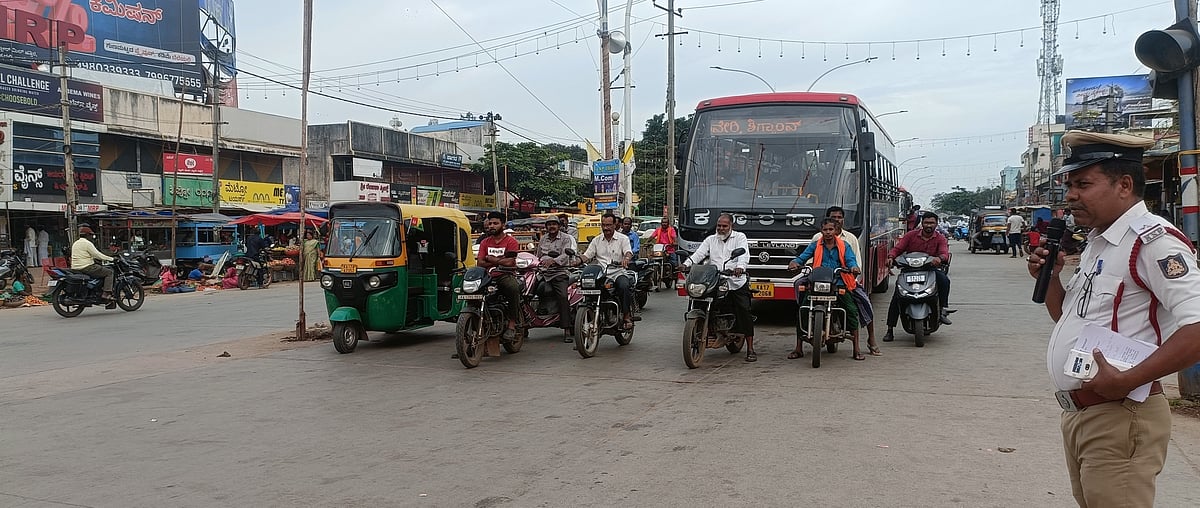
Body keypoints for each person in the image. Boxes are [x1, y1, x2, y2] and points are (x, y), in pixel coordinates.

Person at [1026, 131, 1200, 507]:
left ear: (1124, 185)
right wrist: (1051, 278)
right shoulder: (1100, 242)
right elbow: (1069, 318)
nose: (1071, 195)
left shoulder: (1153, 242)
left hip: (1121, 415)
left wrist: (1128, 380)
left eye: (1083, 184)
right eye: (1070, 184)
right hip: (1083, 414)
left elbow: (1197, 326)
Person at [680, 213, 756, 361]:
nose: (721, 229)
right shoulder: (711, 239)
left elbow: (744, 256)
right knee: (701, 299)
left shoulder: (740, 238)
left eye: (724, 226)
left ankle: (751, 349)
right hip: (715, 279)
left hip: (735, 280)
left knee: (744, 310)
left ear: (730, 226)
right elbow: (698, 254)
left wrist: (739, 267)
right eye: (719, 226)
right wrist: (685, 264)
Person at [789, 218, 864, 361]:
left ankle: (856, 348)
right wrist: (795, 263)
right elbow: (803, 257)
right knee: (803, 309)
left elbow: (850, 260)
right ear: (821, 231)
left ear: (836, 231)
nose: (828, 232)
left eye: (831, 229)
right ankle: (798, 348)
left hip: (838, 282)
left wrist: (853, 267)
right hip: (817, 281)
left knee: (852, 310)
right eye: (825, 230)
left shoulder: (844, 245)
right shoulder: (815, 245)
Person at [813, 206, 881, 356]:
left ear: (843, 220)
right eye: (833, 218)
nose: (836, 221)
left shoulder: (850, 240)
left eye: (839, 218)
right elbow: (807, 257)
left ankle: (869, 341)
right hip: (820, 280)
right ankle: (799, 345)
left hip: (844, 280)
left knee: (862, 304)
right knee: (803, 299)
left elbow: (855, 262)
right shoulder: (817, 240)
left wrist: (853, 271)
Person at [883, 211, 954, 342]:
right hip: (909, 270)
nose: (929, 225)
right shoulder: (910, 236)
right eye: (926, 222)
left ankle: (942, 308)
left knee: (944, 280)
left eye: (932, 223)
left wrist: (940, 258)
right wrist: (891, 257)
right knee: (897, 297)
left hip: (930, 270)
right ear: (922, 223)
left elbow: (944, 252)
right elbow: (898, 249)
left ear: (936, 224)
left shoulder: (940, 238)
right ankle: (890, 329)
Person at [579, 212, 635, 330]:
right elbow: (587, 255)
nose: (606, 228)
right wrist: (577, 260)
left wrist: (626, 258)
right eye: (603, 225)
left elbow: (628, 252)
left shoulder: (623, 239)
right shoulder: (596, 240)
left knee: (624, 286)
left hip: (618, 273)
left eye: (609, 225)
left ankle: (626, 316)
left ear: (615, 225)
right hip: (601, 275)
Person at [476, 211, 522, 340]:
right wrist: (500, 261)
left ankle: (512, 325)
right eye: (490, 223)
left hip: (505, 275)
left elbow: (510, 262)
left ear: (503, 224)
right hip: (486, 276)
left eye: (495, 223)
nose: (491, 226)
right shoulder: (485, 242)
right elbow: (480, 263)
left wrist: (490, 259)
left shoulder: (511, 241)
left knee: (513, 288)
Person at [535, 217, 578, 342]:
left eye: (554, 224)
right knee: (526, 291)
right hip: (542, 273)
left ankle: (567, 329)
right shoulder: (543, 238)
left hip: (559, 272)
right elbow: (538, 255)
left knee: (563, 297)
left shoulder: (566, 238)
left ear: (559, 226)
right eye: (549, 224)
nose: (551, 227)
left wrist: (553, 261)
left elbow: (565, 255)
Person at [71, 225, 115, 306]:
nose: (92, 237)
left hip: (75, 268)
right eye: (91, 235)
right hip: (87, 267)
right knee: (109, 272)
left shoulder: (76, 243)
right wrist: (111, 259)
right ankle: (106, 293)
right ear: (87, 235)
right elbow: (97, 255)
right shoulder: (87, 243)